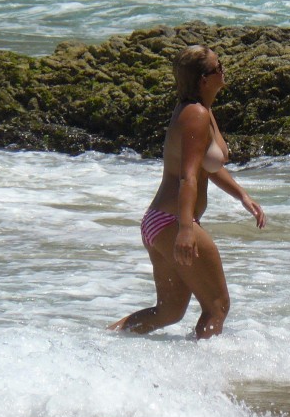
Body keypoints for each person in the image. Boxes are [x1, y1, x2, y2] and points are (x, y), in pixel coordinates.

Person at [107, 45, 266, 339]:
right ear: (204, 79)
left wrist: (241, 194)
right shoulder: (196, 114)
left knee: (168, 312)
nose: (224, 70)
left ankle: (106, 339)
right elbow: (188, 176)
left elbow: (209, 166)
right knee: (217, 306)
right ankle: (206, 372)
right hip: (172, 222)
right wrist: (185, 228)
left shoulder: (202, 110)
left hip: (159, 221)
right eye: (219, 67)